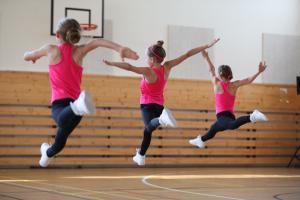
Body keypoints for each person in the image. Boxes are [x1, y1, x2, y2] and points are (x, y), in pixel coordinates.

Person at [23, 18, 139, 167]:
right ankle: (47, 153)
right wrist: (119, 48)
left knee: (60, 123)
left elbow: (27, 55)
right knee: (59, 144)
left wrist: (31, 57)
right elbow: (98, 42)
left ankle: (76, 109)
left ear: (58, 35)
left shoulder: (51, 49)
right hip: (75, 106)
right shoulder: (79, 51)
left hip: (61, 104)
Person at [103, 38, 220, 166]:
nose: (146, 61)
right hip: (159, 106)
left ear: (152, 60)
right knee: (148, 130)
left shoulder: (148, 72)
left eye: (147, 58)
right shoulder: (167, 67)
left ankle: (143, 152)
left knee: (148, 130)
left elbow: (130, 67)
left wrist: (112, 64)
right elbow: (187, 54)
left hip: (147, 105)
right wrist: (206, 45)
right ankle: (141, 155)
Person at [189, 50, 268, 148]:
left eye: (219, 74)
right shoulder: (233, 85)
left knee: (232, 125)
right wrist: (259, 72)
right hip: (229, 116)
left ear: (221, 76)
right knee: (213, 130)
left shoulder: (217, 83)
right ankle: (200, 140)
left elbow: (211, 70)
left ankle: (252, 116)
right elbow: (248, 80)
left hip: (223, 117)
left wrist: (206, 58)